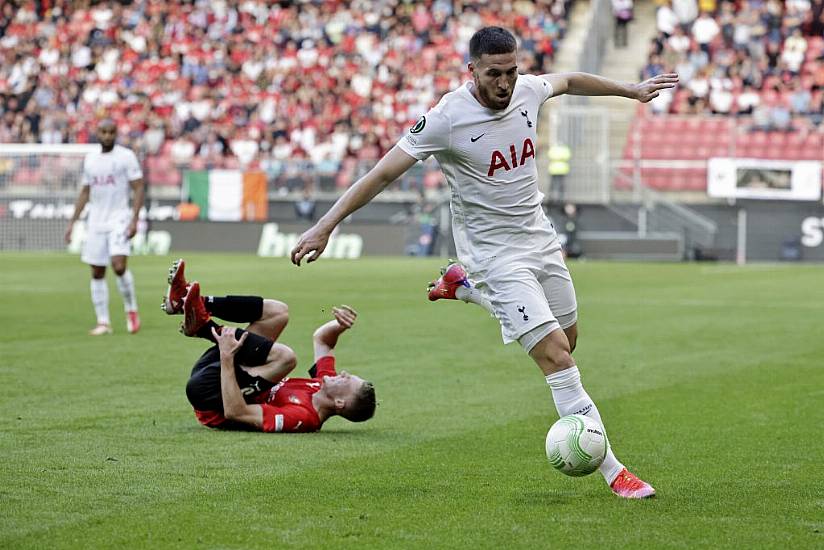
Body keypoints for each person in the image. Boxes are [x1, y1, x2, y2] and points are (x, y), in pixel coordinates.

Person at [291, 27, 677, 498]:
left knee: (568, 340)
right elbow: (382, 173)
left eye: (511, 72)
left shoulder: (529, 89)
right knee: (556, 355)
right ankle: (615, 472)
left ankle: (463, 289)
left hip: (539, 239)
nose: (506, 83)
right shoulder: (445, 118)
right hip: (494, 256)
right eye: (494, 74)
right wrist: (326, 224)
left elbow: (571, 80)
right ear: (471, 70)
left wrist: (630, 92)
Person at [162, 259, 376, 432]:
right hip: (224, 369)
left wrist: (227, 358)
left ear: (340, 403)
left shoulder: (304, 417)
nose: (345, 373)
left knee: (286, 358)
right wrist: (340, 325)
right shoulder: (319, 384)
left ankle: (204, 327)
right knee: (278, 312)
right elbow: (323, 340)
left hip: (210, 396)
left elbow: (237, 413)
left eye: (348, 380)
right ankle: (185, 302)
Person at [64, 118, 145, 335]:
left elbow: (138, 187)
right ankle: (103, 322)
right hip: (96, 221)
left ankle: (131, 309)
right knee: (97, 271)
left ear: (116, 133)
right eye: (103, 132)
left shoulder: (126, 157)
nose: (107, 136)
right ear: (97, 133)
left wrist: (134, 218)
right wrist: (72, 222)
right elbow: (85, 191)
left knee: (118, 266)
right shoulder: (91, 160)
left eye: (111, 132)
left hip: (119, 218)